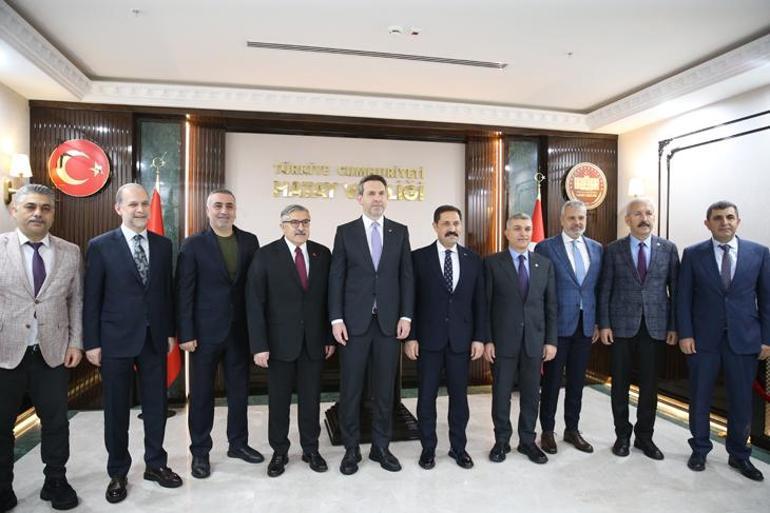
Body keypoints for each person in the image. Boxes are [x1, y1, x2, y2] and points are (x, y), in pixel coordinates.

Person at [83, 183, 182, 503]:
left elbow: (166, 293)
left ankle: (156, 464)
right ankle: (117, 471)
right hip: (114, 340)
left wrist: (170, 332)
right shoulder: (100, 246)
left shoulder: (163, 245)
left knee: (156, 406)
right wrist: (92, 342)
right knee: (116, 410)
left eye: (144, 204)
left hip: (154, 339)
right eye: (133, 205)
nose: (140, 210)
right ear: (119, 208)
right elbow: (92, 298)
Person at [0, 184, 82, 511]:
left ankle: (56, 481)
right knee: (2, 426)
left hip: (53, 353)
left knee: (57, 423)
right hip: (5, 353)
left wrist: (76, 342)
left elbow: (77, 301)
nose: (38, 213)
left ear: (53, 214)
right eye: (30, 207)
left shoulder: (70, 251)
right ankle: (3, 486)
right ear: (14, 211)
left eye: (46, 208)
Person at [677, 200, 770, 481]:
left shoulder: (759, 253)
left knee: (741, 400)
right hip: (702, 340)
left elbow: (766, 300)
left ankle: (739, 454)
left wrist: (766, 339)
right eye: (718, 218)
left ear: (738, 221)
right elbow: (683, 298)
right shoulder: (693, 254)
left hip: (745, 340)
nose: (724, 222)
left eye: (730, 217)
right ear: (708, 224)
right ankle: (700, 449)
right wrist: (685, 333)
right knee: (700, 397)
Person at [328, 174, 414, 475]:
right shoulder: (345, 232)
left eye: (381, 193)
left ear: (387, 198)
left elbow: (406, 277)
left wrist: (406, 316)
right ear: (359, 198)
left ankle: (381, 447)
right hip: (353, 325)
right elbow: (337, 277)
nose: (377, 198)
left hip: (389, 325)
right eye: (371, 193)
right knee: (351, 389)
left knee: (385, 391)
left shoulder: (399, 232)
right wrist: (336, 319)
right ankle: (351, 449)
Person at [176, 189, 262, 479]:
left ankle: (238, 444)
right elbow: (184, 291)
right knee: (202, 396)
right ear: (208, 210)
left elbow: (254, 289)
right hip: (203, 334)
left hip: (240, 332)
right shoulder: (193, 244)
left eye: (229, 206)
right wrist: (186, 332)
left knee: (239, 392)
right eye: (218, 206)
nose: (224, 211)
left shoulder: (249, 241)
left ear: (235, 210)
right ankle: (200, 452)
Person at [247, 204, 335, 477]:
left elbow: (329, 299)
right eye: (294, 222)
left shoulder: (322, 254)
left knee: (311, 400)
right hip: (278, 344)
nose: (300, 227)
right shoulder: (265, 255)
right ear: (282, 225)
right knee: (279, 401)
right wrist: (259, 345)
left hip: (314, 342)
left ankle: (311, 449)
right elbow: (254, 302)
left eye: (305, 221)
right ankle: (279, 451)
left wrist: (328, 336)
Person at [405, 205, 487, 470]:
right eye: (446, 223)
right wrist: (411, 337)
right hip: (428, 341)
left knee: (459, 399)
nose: (452, 228)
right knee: (426, 397)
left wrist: (479, 337)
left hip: (461, 342)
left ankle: (458, 448)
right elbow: (410, 300)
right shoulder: (418, 258)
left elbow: (479, 303)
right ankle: (428, 449)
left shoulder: (473, 259)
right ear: (435, 227)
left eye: (456, 223)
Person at [598, 197, 678, 460]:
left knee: (649, 386)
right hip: (621, 327)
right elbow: (605, 289)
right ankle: (622, 436)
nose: (644, 218)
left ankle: (645, 437)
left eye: (648, 213)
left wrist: (674, 326)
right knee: (619, 385)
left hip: (655, 327)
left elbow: (675, 291)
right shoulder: (613, 250)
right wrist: (604, 324)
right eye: (638, 214)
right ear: (627, 220)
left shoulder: (668, 249)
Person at [484, 213, 557, 465]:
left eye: (527, 228)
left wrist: (551, 341)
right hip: (502, 342)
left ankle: (527, 441)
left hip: (534, 342)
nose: (523, 233)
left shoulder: (544, 264)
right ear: (507, 233)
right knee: (501, 394)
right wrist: (488, 340)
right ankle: (501, 441)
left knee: (531, 394)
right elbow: (485, 305)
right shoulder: (492, 263)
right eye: (517, 228)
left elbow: (550, 306)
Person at [535, 200, 602, 454]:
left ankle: (572, 429)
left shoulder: (596, 248)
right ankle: (547, 431)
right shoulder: (546, 247)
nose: (577, 223)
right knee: (552, 382)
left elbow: (597, 288)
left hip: (585, 327)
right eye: (572, 218)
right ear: (562, 220)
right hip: (557, 327)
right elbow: (540, 290)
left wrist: (598, 322)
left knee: (576, 381)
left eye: (581, 218)